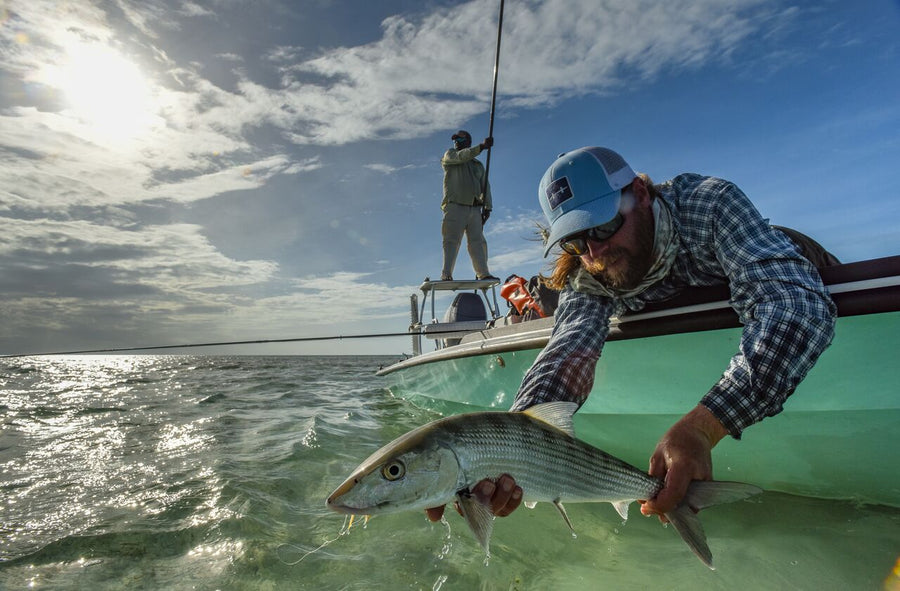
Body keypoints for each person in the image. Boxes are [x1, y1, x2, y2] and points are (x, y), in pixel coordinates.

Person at [426, 146, 837, 523]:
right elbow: (568, 351)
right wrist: (513, 451)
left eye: (602, 226)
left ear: (639, 192)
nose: (595, 252)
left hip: (797, 263)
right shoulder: (588, 269)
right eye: (576, 240)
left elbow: (794, 305)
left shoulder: (709, 204)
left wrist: (704, 425)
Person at [439, 130, 498, 281]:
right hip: (454, 207)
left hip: (474, 209)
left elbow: (485, 186)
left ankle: (483, 273)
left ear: (468, 141)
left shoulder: (478, 165)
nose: (456, 141)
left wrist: (488, 207)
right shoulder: (450, 155)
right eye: (455, 139)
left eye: (460, 138)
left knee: (477, 242)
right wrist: (482, 147)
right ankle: (446, 274)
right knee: (451, 240)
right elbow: (462, 156)